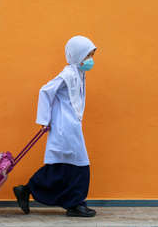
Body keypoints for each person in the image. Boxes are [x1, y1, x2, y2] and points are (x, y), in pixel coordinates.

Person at [13, 35, 97, 217]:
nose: (90, 61)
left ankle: (28, 190)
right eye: (87, 56)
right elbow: (45, 91)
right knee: (80, 165)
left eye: (91, 56)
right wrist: (44, 121)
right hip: (64, 127)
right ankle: (75, 204)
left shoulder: (77, 73)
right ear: (77, 55)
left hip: (71, 126)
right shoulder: (68, 74)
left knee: (64, 166)